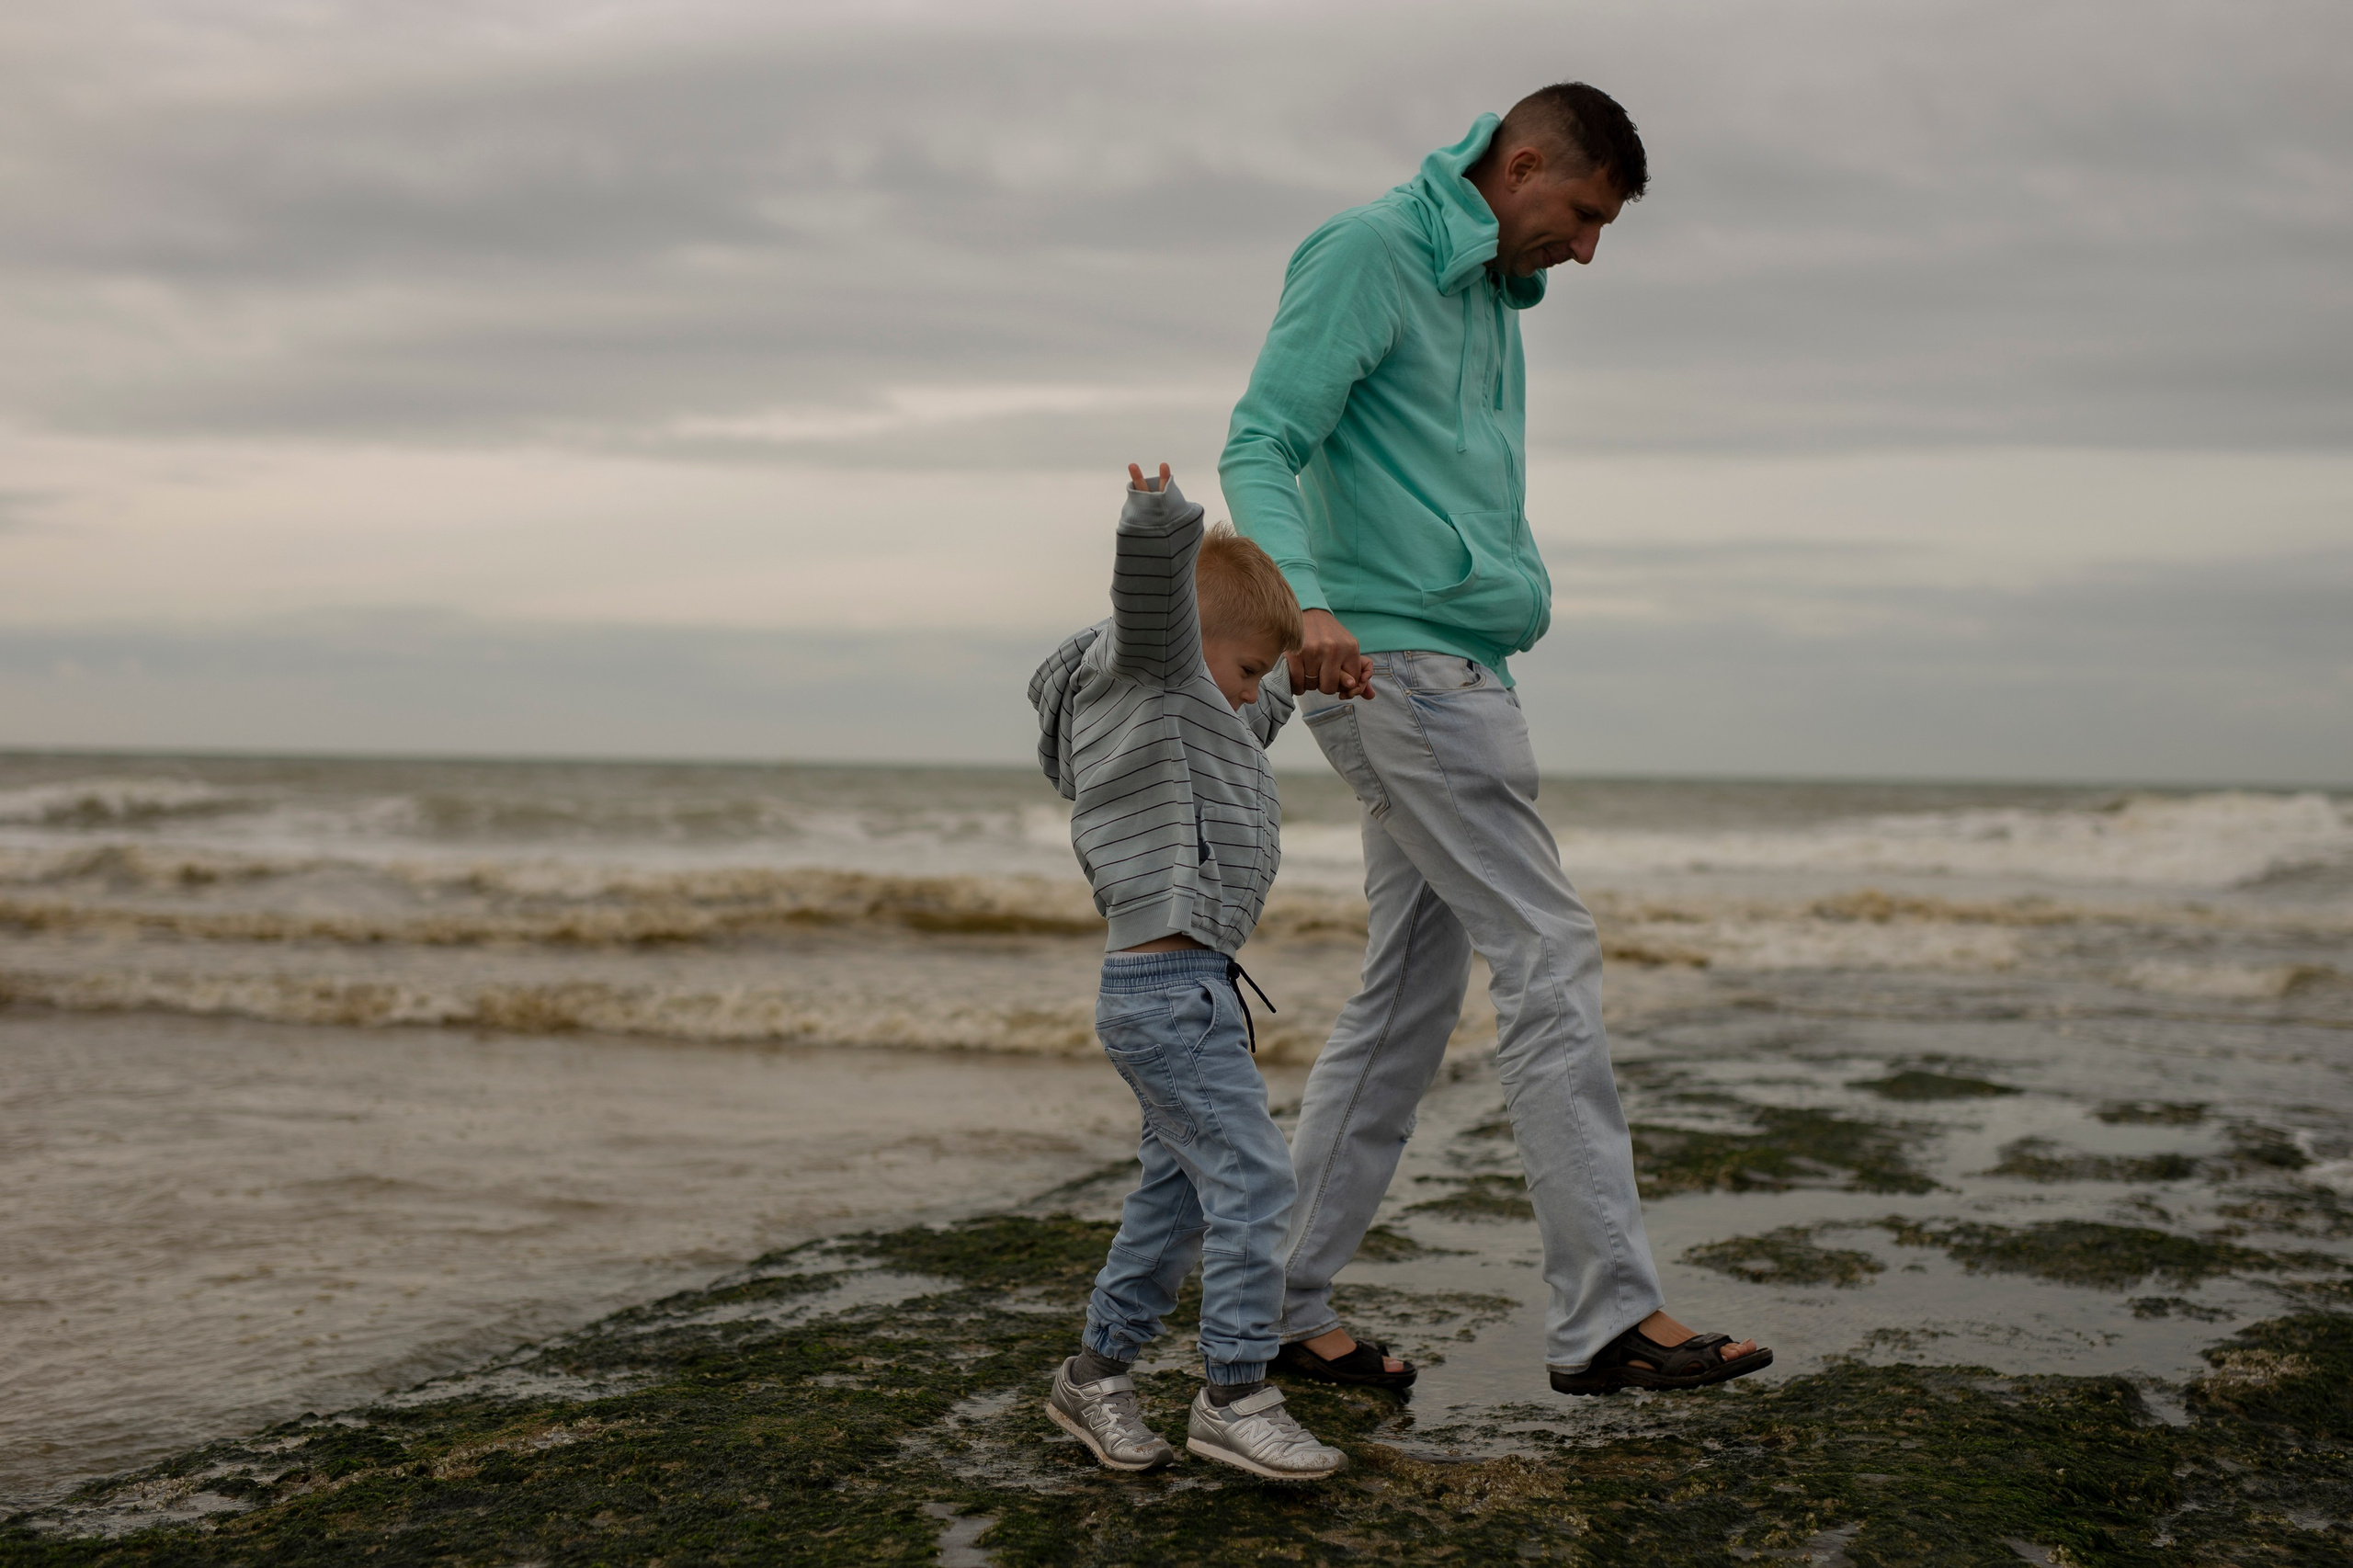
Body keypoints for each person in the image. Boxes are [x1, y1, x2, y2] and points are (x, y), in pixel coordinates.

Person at [1222, 83, 1771, 1396]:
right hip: (1395, 667)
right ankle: (1606, 1318)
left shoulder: (1481, 294)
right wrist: (1309, 609)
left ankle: (1277, 1307)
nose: (1583, 252)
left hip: (1462, 665)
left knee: (1406, 1002)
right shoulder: (1369, 252)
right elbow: (1262, 439)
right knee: (1549, 953)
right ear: (1520, 164)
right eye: (1580, 217)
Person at [1026, 462, 1371, 1479]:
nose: (1256, 691)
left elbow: (1246, 719)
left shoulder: (1200, 709)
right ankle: (1234, 1392)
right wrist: (1159, 517)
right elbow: (1150, 602)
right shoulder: (1146, 668)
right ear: (1186, 642)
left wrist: (1303, 674)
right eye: (1250, 667)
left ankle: (1093, 1375)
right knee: (1259, 1179)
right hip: (1164, 996)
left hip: (1195, 992)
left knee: (1176, 1198)